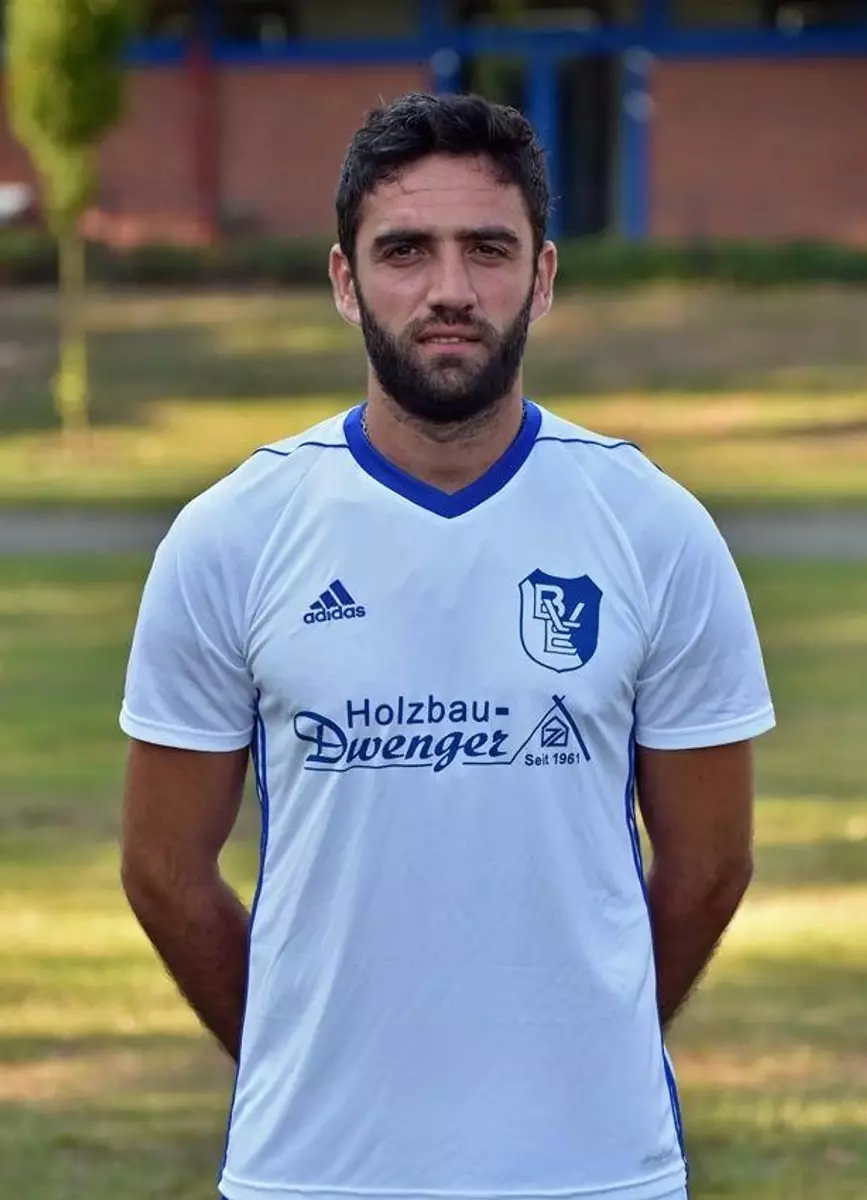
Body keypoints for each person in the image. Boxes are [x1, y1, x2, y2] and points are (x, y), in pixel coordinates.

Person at [119, 92, 775, 1200]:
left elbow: (711, 864)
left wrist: (588, 1043)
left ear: (544, 276)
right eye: (405, 251)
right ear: (345, 280)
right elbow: (163, 868)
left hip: (593, 1171)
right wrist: (300, 1054)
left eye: (489, 248)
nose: (450, 289)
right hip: (313, 1172)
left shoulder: (653, 528)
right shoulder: (232, 536)